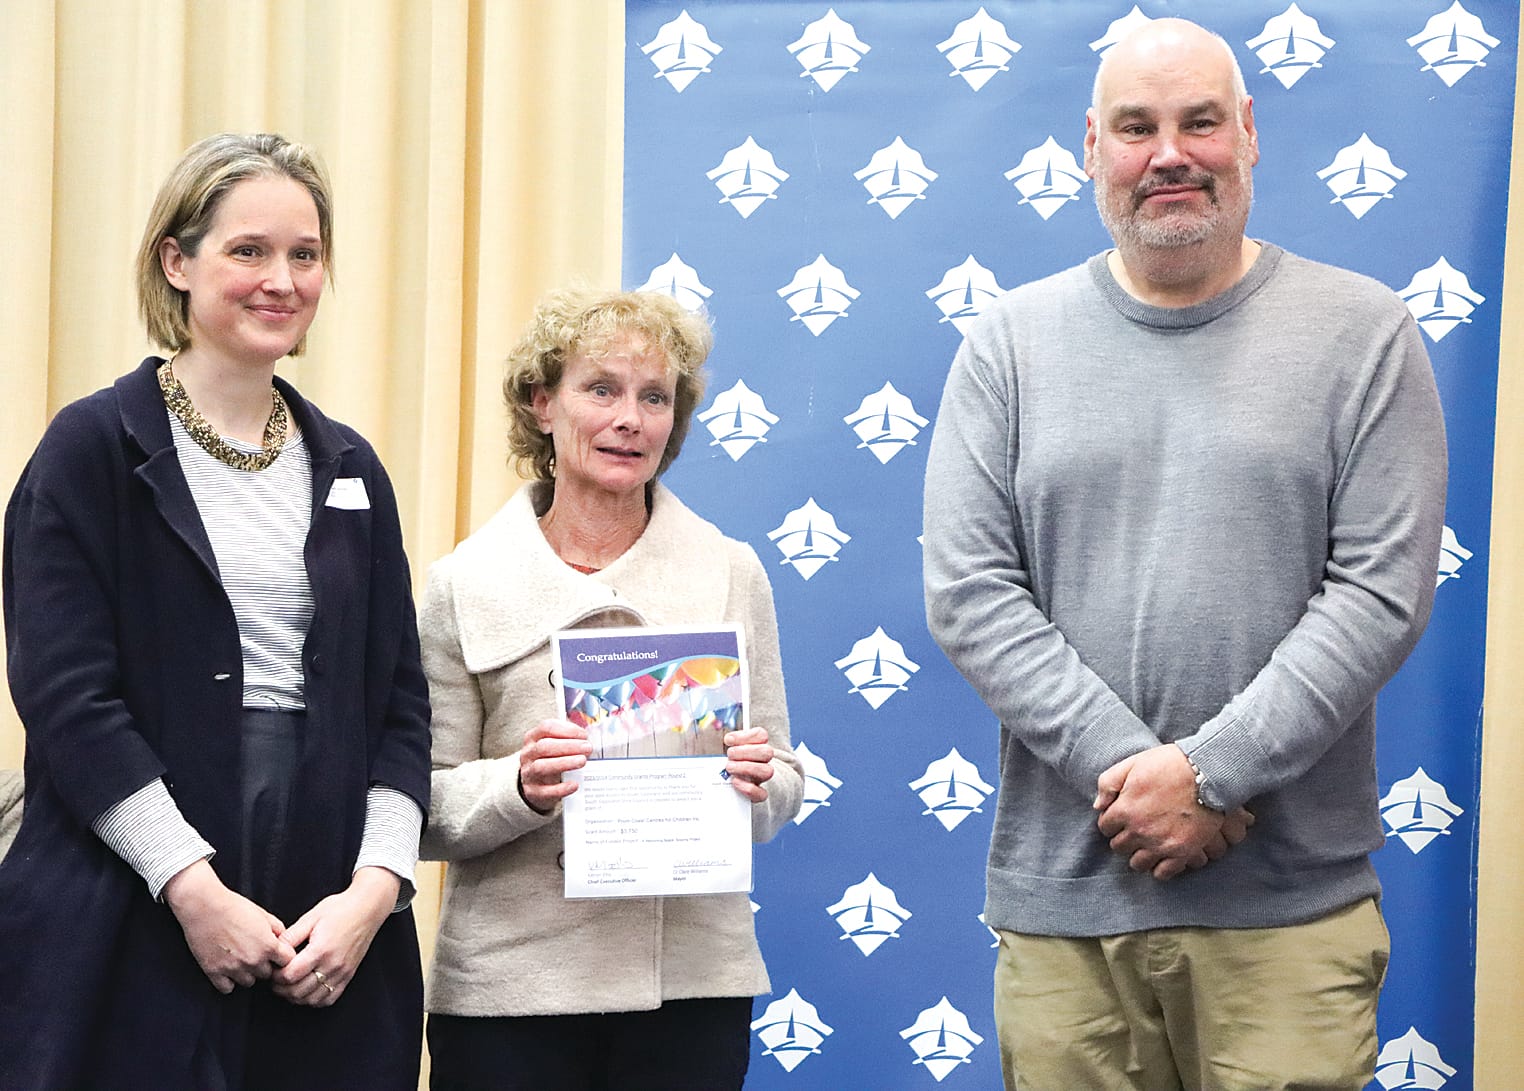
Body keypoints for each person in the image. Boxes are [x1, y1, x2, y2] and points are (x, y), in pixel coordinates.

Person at [922, 18, 1447, 1091]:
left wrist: (1211, 773)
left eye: (1199, 121)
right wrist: (1145, 780)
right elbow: (973, 594)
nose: (1169, 152)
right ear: (1091, 148)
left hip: (1290, 920)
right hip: (1068, 921)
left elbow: (1379, 593)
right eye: (1137, 126)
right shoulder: (1008, 346)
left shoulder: (1366, 334)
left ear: (1248, 133)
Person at [0, 132, 431, 1089]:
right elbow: (67, 701)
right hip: (131, 910)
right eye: (249, 250)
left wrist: (375, 892)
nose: (282, 279)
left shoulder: (352, 467)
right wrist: (190, 888)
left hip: (325, 941)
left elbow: (402, 703)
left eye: (305, 254)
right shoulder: (88, 449)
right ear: (177, 260)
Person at [419, 287, 802, 1091]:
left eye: (654, 397)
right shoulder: (461, 586)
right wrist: (517, 785)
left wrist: (762, 782)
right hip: (510, 993)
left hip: (691, 988)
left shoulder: (733, 571)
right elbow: (419, 806)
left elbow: (783, 784)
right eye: (602, 389)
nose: (630, 418)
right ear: (542, 404)